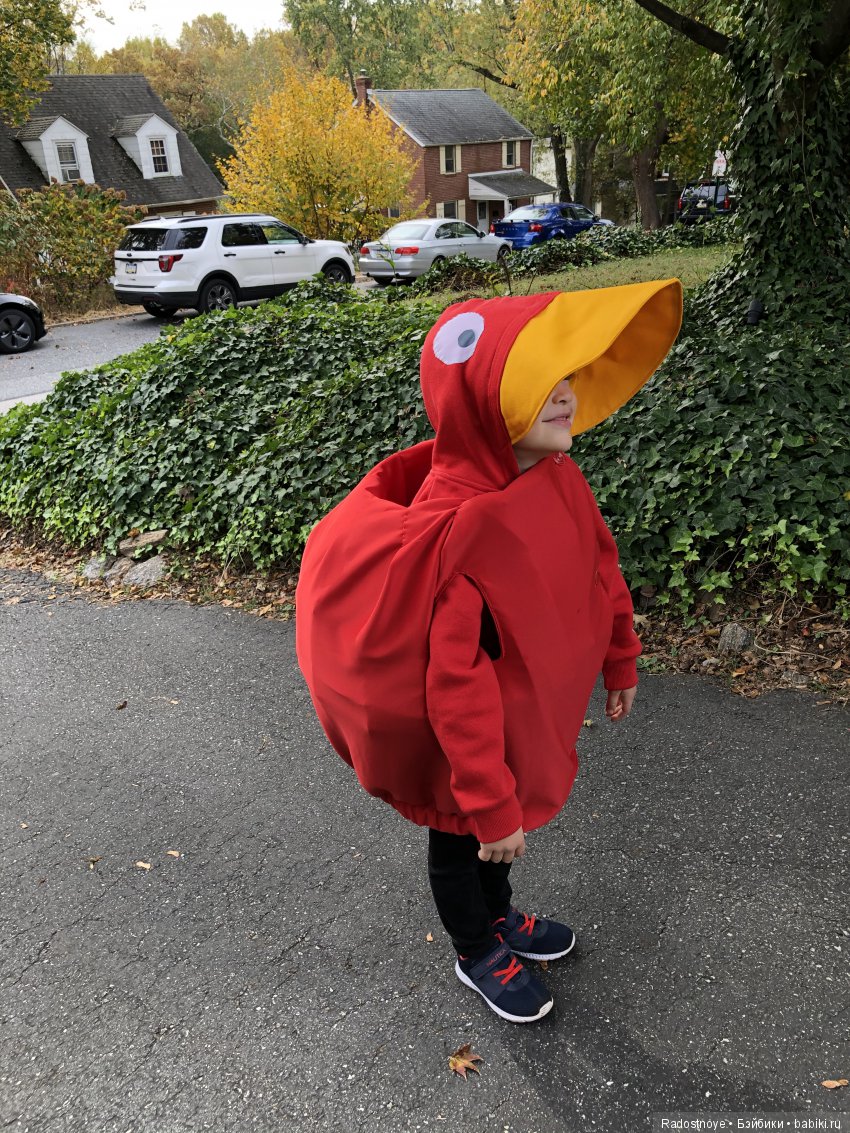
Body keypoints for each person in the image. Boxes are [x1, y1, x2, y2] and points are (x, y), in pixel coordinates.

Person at [296, 280, 683, 1023]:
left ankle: (501, 918)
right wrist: (490, 802)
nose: (567, 395)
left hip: (511, 724)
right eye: (544, 382)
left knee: (496, 849)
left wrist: (620, 654)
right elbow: (452, 684)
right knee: (466, 840)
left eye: (569, 376)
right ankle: (476, 947)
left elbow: (597, 564)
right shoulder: (463, 528)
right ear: (485, 400)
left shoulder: (553, 474)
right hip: (460, 751)